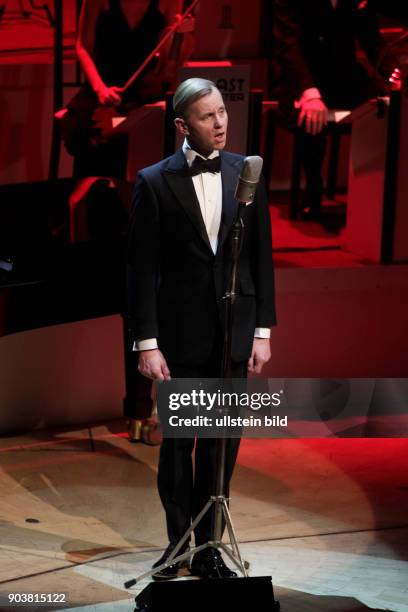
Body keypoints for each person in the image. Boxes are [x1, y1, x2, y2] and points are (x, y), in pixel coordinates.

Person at [127, 78, 276, 579]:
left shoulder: (246, 173)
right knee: (179, 449)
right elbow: (141, 271)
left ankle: (210, 547)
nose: (221, 122)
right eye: (208, 116)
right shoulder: (153, 181)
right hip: (180, 337)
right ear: (182, 125)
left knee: (221, 446)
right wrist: (147, 343)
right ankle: (179, 544)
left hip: (233, 335)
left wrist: (263, 332)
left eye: (223, 112)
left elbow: (261, 259)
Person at [273, 0, 400, 220]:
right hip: (299, 78)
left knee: (389, 104)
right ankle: (313, 187)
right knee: (311, 115)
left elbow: (373, 42)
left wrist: (393, 73)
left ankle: (377, 191)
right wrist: (309, 92)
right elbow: (287, 45)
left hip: (343, 78)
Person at [67, 0, 194, 178]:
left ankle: (135, 196)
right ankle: (92, 196)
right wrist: (100, 89)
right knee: (96, 131)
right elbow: (82, 47)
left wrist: (183, 33)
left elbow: (172, 59)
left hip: (143, 92)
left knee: (164, 131)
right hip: (103, 88)